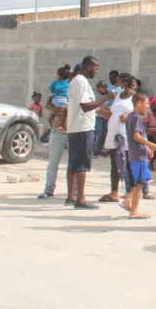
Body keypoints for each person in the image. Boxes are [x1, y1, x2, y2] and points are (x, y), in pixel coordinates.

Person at [67, 56, 116, 210]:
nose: (97, 71)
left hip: (76, 127)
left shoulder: (77, 81)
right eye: (95, 68)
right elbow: (86, 106)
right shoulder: (81, 82)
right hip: (83, 129)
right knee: (82, 165)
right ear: (88, 66)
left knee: (73, 164)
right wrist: (106, 98)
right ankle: (80, 200)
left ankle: (70, 197)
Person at [99, 73, 154, 203]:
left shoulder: (136, 97)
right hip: (114, 134)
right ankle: (114, 192)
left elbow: (146, 117)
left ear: (124, 83)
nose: (115, 85)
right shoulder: (118, 96)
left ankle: (133, 192)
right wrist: (100, 111)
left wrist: (129, 117)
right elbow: (114, 115)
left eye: (117, 82)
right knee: (115, 163)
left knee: (130, 163)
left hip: (128, 135)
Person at [123, 92, 156, 220]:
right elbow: (137, 136)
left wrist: (147, 147)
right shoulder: (137, 118)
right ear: (139, 103)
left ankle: (128, 201)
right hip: (138, 155)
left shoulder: (131, 117)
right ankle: (134, 210)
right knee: (140, 183)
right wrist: (151, 144)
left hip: (137, 153)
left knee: (142, 180)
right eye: (147, 103)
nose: (148, 106)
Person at [36, 95, 70, 200]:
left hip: (72, 133)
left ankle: (74, 191)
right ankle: (48, 190)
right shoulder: (58, 100)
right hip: (58, 133)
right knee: (53, 163)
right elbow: (50, 113)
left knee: (72, 164)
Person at [49, 65, 72, 132]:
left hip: (55, 100)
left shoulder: (55, 83)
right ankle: (62, 126)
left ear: (59, 76)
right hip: (63, 100)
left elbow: (51, 90)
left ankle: (53, 122)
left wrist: (56, 92)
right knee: (66, 112)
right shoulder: (68, 82)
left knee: (57, 112)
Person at [93, 81, 109, 157]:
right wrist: (104, 107)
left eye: (105, 87)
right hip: (98, 117)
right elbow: (95, 106)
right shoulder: (96, 96)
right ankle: (96, 150)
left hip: (106, 117)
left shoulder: (108, 96)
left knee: (104, 134)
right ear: (98, 88)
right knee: (98, 133)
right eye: (103, 87)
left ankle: (102, 150)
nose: (104, 89)